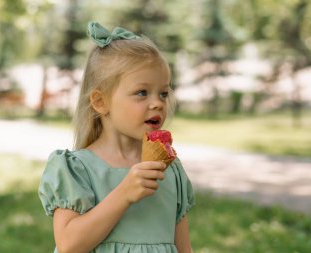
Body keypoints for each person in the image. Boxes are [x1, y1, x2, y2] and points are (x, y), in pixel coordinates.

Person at [38, 21, 195, 253]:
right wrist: (124, 194)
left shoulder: (169, 170)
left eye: (163, 93)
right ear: (100, 102)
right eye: (142, 93)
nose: (157, 103)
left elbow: (183, 248)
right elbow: (68, 245)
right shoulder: (77, 169)